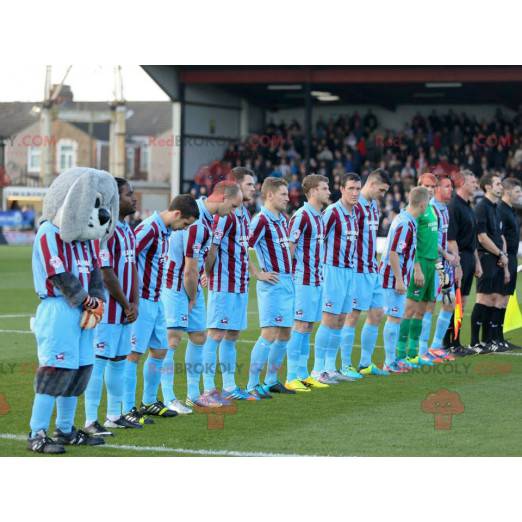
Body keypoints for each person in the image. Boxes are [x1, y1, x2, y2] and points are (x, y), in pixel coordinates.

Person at [123, 195, 200, 421]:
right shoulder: (149, 228)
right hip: (142, 300)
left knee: (160, 350)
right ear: (177, 214)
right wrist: (130, 297)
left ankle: (148, 401)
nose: (184, 229)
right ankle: (127, 409)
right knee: (133, 354)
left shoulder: (167, 232)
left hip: (157, 299)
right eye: (185, 224)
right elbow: (127, 259)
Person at [84, 178, 143, 435]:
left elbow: (133, 270)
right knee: (100, 362)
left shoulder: (128, 230)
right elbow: (106, 272)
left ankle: (113, 415)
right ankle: (89, 420)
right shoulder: (106, 230)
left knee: (119, 360)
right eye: (129, 194)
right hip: (108, 310)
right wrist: (125, 303)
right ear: (116, 199)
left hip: (125, 311)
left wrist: (135, 303)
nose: (134, 198)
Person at [182, 181, 243, 408]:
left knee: (198, 337)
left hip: (192, 284)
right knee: (167, 343)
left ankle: (195, 393)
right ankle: (163, 397)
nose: (233, 211)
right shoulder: (196, 217)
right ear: (223, 198)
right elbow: (188, 263)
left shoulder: (208, 219)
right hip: (177, 286)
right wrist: (191, 295)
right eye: (233, 206)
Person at [201, 168, 257, 401]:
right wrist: (207, 274)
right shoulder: (226, 215)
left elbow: (243, 251)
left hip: (240, 284)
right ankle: (207, 389)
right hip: (223, 284)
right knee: (214, 334)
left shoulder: (244, 214)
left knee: (231, 336)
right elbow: (212, 249)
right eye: (249, 185)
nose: (254, 188)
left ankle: (230, 387)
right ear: (236, 186)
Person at [246, 177, 296, 397]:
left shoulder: (282, 219)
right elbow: (242, 248)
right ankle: (252, 384)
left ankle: (271, 379)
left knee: (285, 333)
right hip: (273, 284)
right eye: (283, 194)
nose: (287, 198)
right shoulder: (261, 220)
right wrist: (258, 273)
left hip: (287, 281)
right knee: (269, 333)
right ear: (269, 195)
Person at [311, 172, 361, 383]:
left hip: (348, 272)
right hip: (331, 270)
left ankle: (331, 368)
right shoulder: (332, 212)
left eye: (358, 189)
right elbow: (318, 240)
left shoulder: (356, 213)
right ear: (341, 190)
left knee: (341, 320)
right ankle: (317, 369)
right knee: (329, 319)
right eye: (350, 188)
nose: (355, 193)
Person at [341, 168, 391, 377]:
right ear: (371, 184)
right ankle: (344, 365)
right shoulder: (355, 205)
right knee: (352, 316)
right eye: (382, 190)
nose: (383, 194)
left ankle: (365, 362)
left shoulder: (373, 205)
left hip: (372, 268)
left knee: (377, 313)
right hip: (358, 271)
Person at [285, 174, 331, 391]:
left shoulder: (319, 216)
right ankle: (291, 376)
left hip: (316, 280)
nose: (329, 192)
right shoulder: (301, 216)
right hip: (302, 280)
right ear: (313, 191)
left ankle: (303, 374)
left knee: (309, 326)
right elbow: (290, 249)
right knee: (300, 325)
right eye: (324, 188)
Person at [380, 187, 430, 372]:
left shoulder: (407, 220)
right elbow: (393, 253)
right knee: (393, 318)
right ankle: (389, 362)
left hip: (397, 276)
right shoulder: (405, 224)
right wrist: (399, 280)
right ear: (423, 204)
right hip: (392, 277)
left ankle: (392, 360)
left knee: (396, 318)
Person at [397, 173, 439, 368]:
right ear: (419, 186)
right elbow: (411, 242)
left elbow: (431, 239)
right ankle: (399, 355)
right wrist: (417, 268)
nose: (430, 189)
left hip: (431, 263)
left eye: (433, 186)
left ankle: (413, 354)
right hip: (420, 263)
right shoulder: (415, 211)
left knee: (422, 311)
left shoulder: (431, 208)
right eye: (427, 186)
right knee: (410, 309)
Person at [418, 175, 460, 361]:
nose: (450, 189)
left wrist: (454, 257)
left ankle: (436, 345)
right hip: (433, 263)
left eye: (432, 185)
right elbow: (429, 240)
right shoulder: (428, 208)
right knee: (429, 305)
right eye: (446, 186)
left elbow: (445, 237)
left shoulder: (443, 209)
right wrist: (446, 254)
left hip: (443, 265)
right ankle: (422, 349)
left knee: (449, 301)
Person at [469, 173, 509, 353]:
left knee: (493, 298)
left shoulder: (495, 208)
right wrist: (500, 253)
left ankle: (487, 340)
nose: (501, 187)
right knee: (483, 298)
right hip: (486, 257)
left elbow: (499, 236)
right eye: (498, 183)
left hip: (497, 258)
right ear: (488, 187)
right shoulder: (482, 207)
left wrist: (503, 255)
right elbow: (482, 238)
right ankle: (474, 341)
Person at [445, 170, 482, 355]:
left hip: (468, 257)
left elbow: (472, 239)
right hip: (457, 258)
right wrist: (458, 264)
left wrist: (477, 262)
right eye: (472, 181)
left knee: (462, 302)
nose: (476, 185)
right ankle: (449, 341)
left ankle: (455, 341)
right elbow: (452, 239)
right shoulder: (454, 206)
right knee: (455, 301)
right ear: (461, 183)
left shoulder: (468, 206)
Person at [497, 177, 522, 350]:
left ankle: (498, 338)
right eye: (517, 192)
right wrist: (504, 258)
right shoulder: (501, 210)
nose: (520, 195)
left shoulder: (511, 210)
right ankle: (493, 338)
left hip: (512, 257)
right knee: (498, 299)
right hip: (504, 259)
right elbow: (500, 236)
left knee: (505, 299)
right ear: (507, 191)